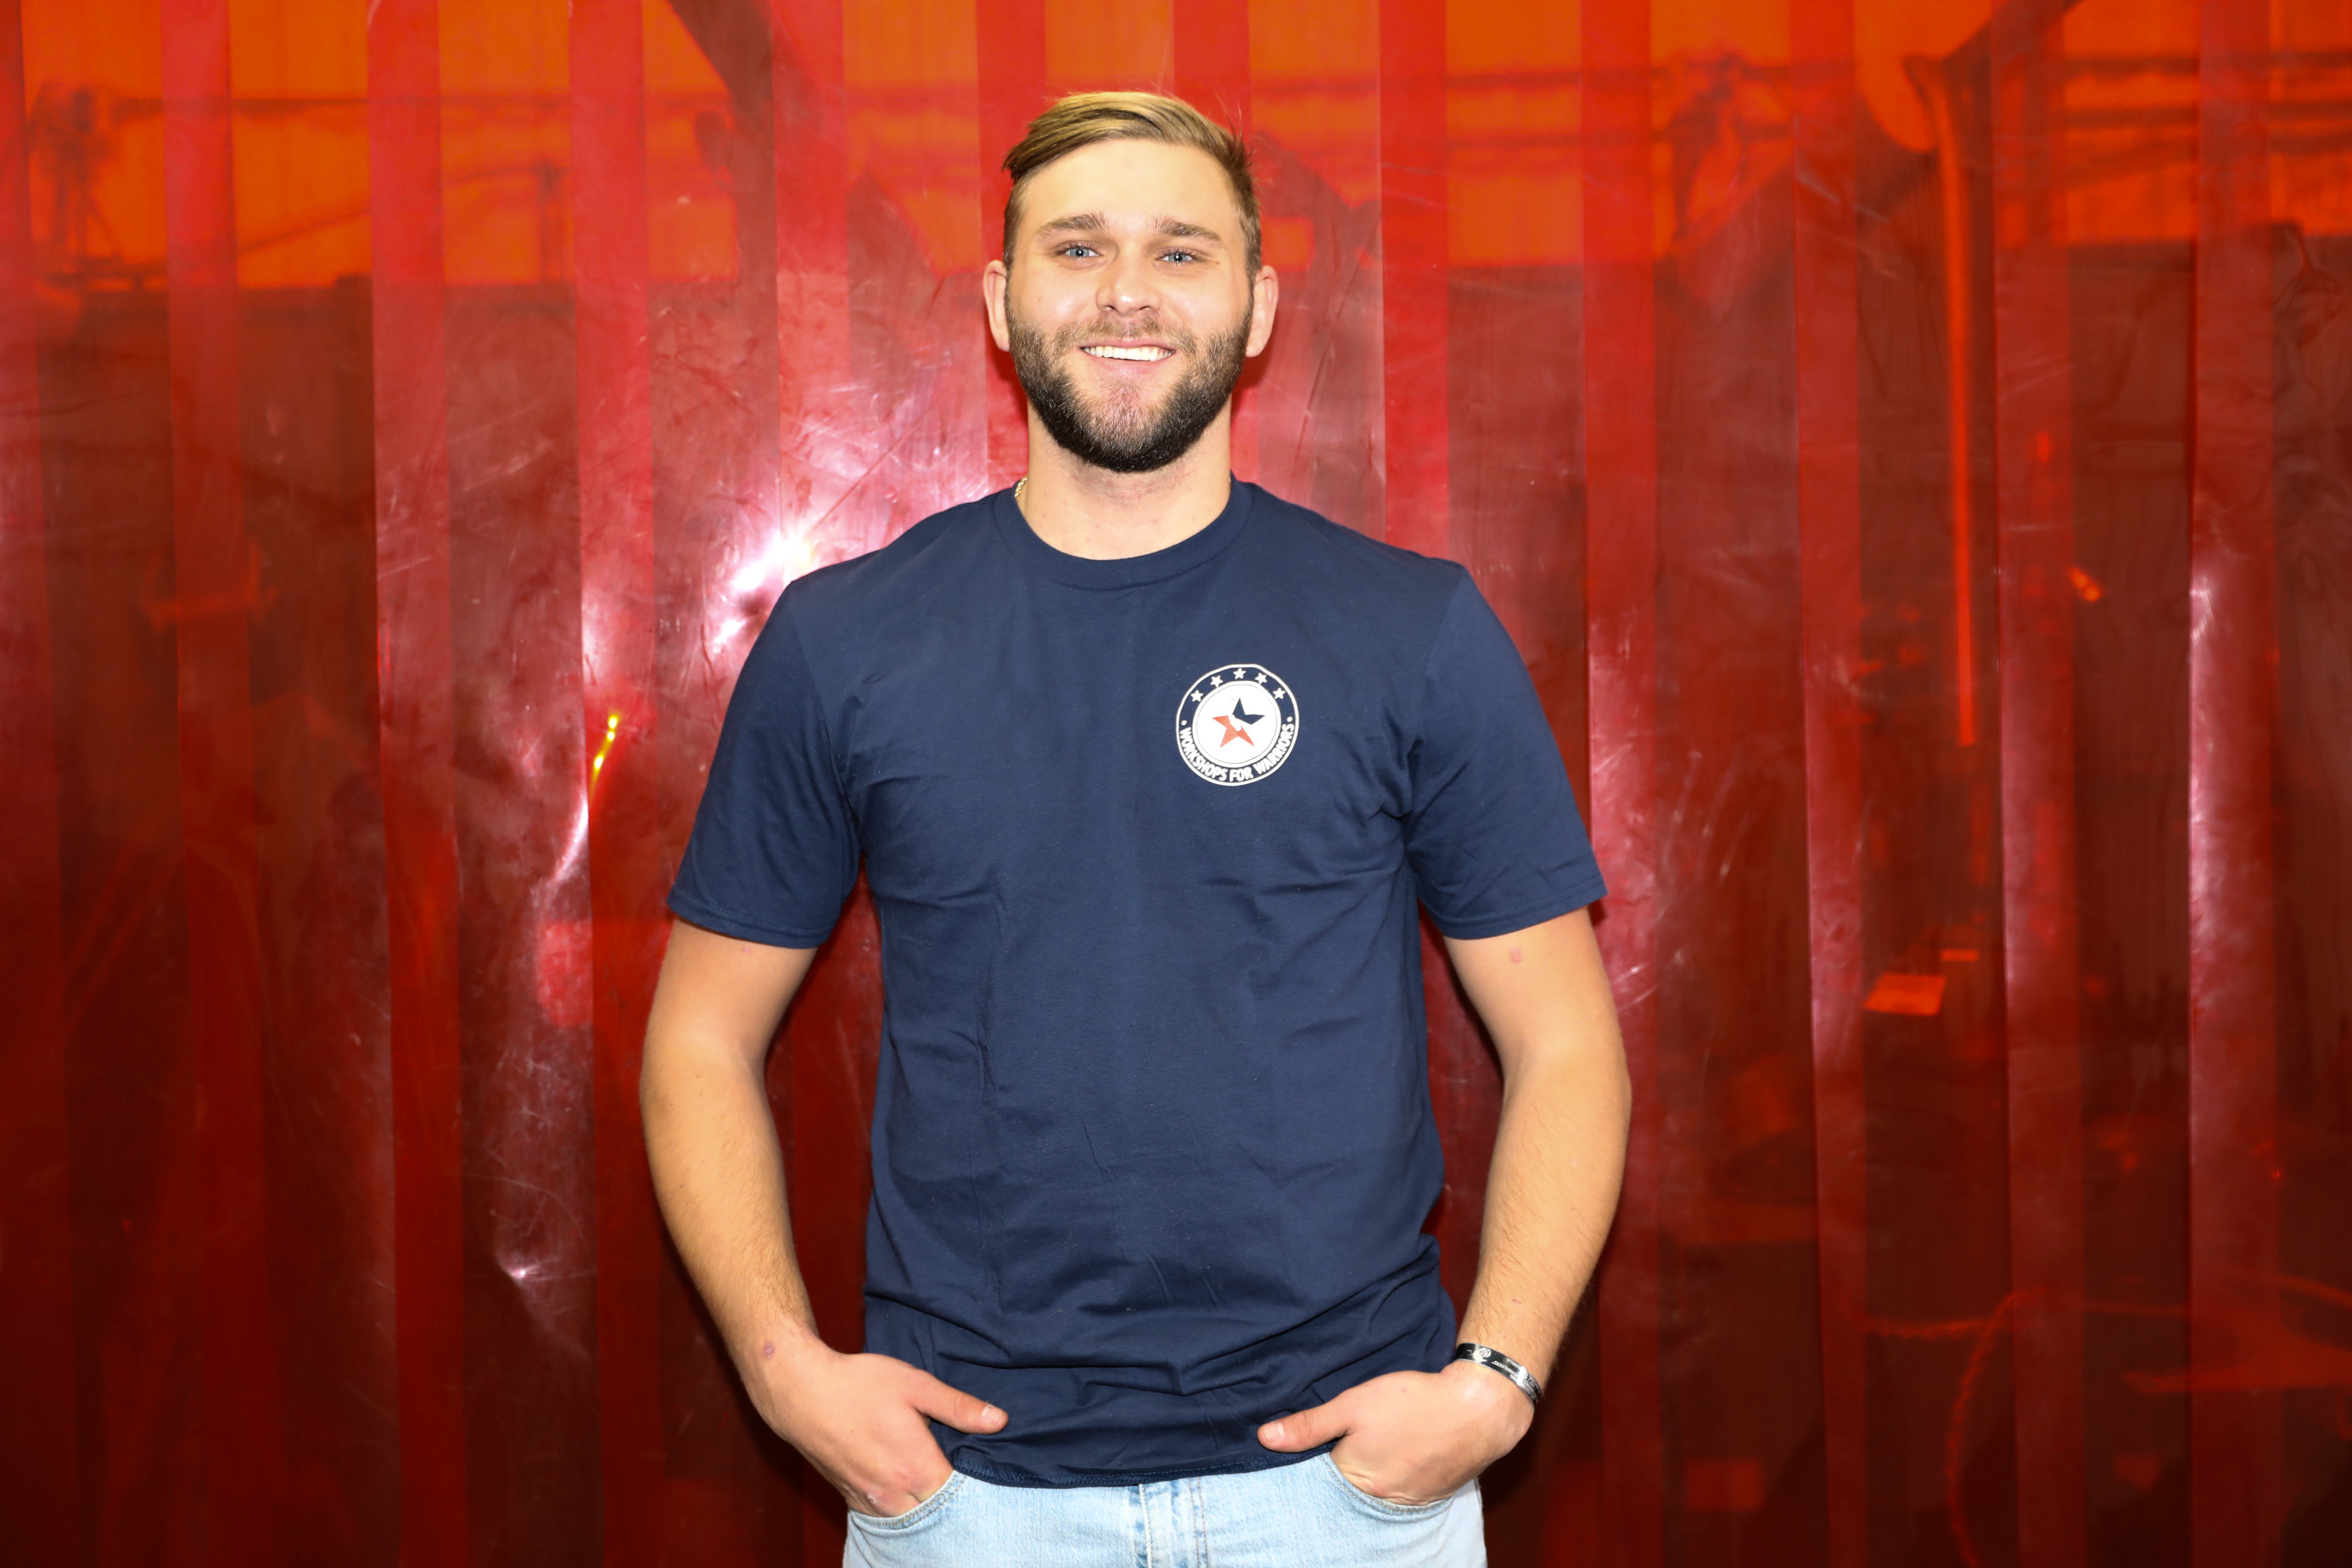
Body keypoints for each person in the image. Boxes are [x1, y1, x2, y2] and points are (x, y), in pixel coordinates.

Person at [640, 92, 1630, 1567]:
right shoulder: (847, 642)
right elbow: (696, 1041)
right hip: (970, 1501)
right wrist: (788, 1372)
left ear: (1257, 308)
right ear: (1000, 298)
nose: (1125, 294)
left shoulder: (1409, 628)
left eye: (1181, 253)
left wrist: (1493, 1386)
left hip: (1349, 1500)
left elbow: (1565, 1042)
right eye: (1076, 247)